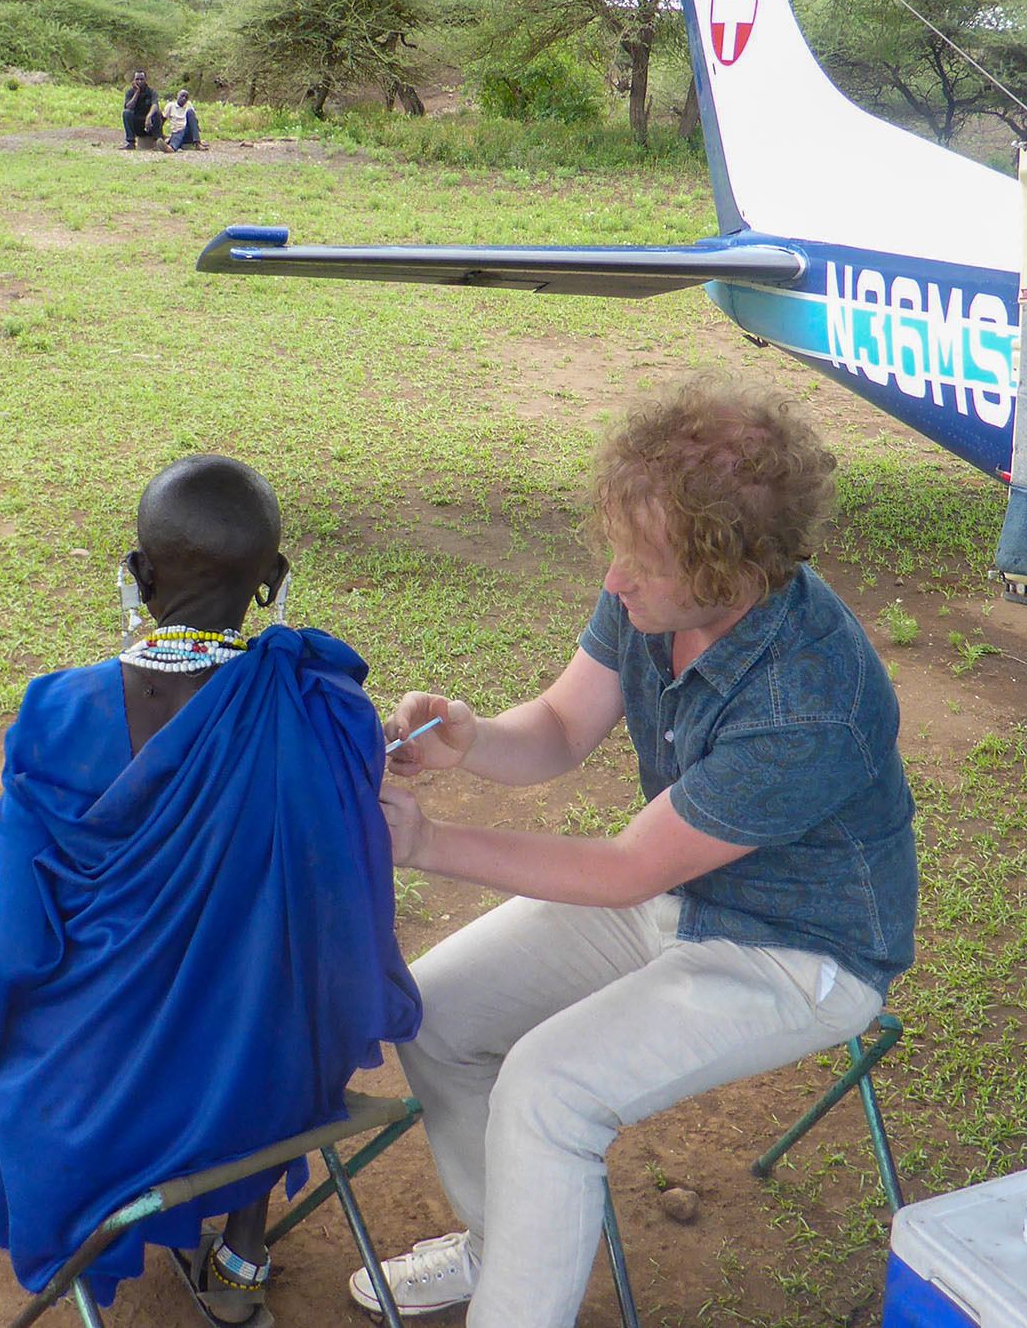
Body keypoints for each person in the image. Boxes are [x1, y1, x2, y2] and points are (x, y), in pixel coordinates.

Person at [364, 377, 916, 1327]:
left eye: (640, 562)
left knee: (548, 1090)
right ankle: (507, 1257)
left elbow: (624, 867)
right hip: (678, 890)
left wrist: (429, 842)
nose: (615, 580)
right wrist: (472, 735)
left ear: (730, 571)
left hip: (794, 948)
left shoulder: (811, 697)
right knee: (434, 1014)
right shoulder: (658, 586)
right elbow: (561, 726)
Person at [0, 455, 421, 1319]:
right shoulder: (326, 708)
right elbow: (343, 915)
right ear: (271, 581)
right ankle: (240, 1255)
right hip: (266, 1082)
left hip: (100, 1100)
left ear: (139, 573)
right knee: (269, 983)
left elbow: (17, 946)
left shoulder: (57, 715)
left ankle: (27, 1187)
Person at [122, 70, 155, 151]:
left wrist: (149, 116)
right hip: (136, 123)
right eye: (137, 79)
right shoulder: (130, 92)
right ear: (134, 80)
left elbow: (155, 105)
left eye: (141, 79)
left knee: (157, 113)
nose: (139, 81)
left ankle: (157, 139)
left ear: (145, 80)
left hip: (148, 123)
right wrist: (137, 92)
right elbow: (128, 107)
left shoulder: (151, 92)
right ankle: (130, 142)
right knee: (126, 113)